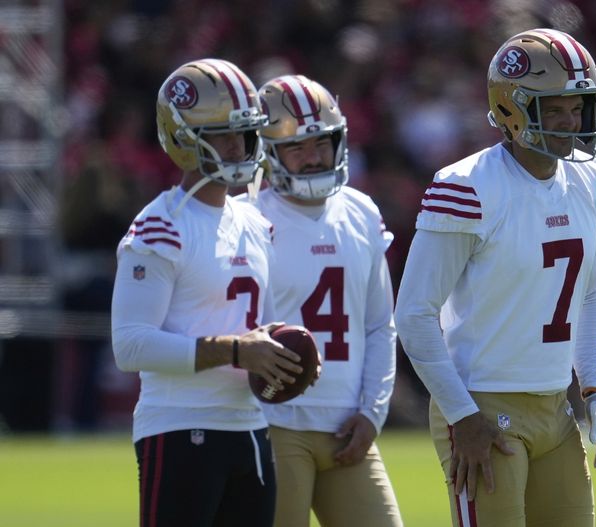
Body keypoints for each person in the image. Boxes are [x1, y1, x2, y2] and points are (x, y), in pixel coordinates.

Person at [394, 28, 596, 527]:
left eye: (578, 107)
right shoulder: (467, 187)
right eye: (553, 108)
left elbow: (589, 294)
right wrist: (462, 416)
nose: (570, 121)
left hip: (555, 407)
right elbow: (413, 314)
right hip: (482, 403)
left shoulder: (589, 178)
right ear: (511, 107)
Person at [111, 58, 304, 527]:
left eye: (243, 133)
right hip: (179, 425)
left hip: (250, 427)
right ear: (183, 139)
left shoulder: (254, 222)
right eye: (222, 135)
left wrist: (285, 356)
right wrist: (236, 351)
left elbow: (263, 329)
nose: (238, 147)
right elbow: (130, 345)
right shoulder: (160, 226)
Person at [241, 74, 402, 527]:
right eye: (296, 147)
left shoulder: (361, 211)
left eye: (321, 143)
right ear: (268, 151)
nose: (312, 157)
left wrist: (373, 412)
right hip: (274, 422)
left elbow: (379, 324)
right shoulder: (246, 220)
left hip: (347, 426)